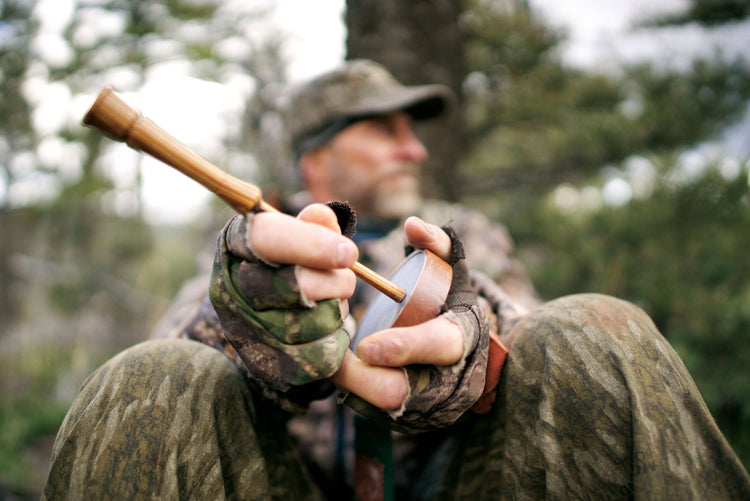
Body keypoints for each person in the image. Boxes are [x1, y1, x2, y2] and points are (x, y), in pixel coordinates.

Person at [43, 60, 750, 500]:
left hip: (459, 483)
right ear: (314, 160)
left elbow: (532, 335)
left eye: (411, 128)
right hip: (292, 483)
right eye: (382, 129)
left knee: (598, 328)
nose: (413, 146)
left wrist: (475, 332)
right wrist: (255, 342)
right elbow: (180, 362)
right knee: (151, 377)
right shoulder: (245, 254)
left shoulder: (462, 228)